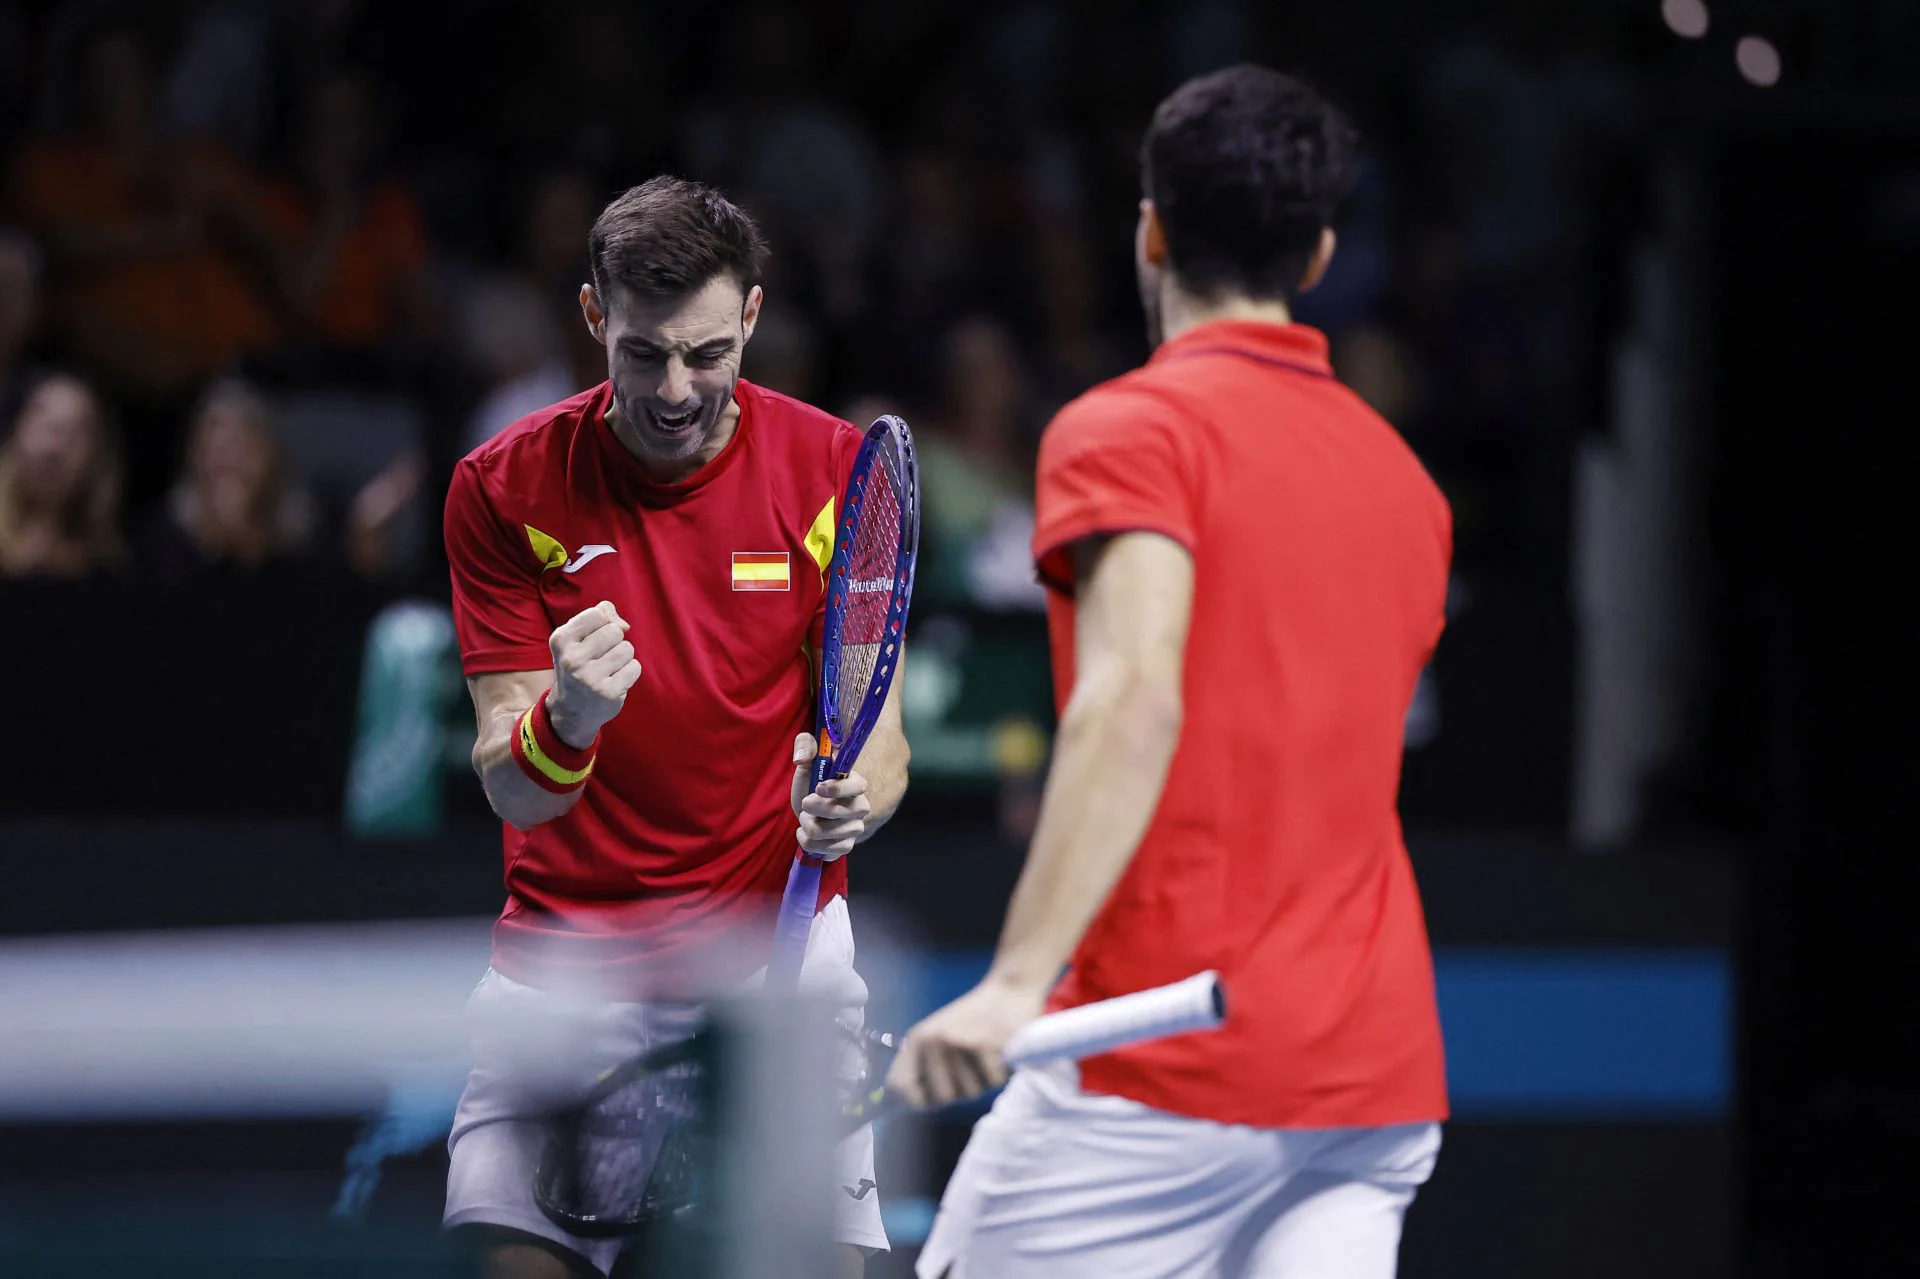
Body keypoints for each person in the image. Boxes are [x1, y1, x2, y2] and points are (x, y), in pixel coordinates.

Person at [889, 66, 1452, 1279]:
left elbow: (1134, 696)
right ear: (1317, 258)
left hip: (1158, 1066)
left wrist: (1014, 984)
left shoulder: (1130, 430)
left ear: (1149, 229)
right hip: (1372, 1081)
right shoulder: (1406, 484)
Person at [441, 176, 909, 1279]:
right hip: (566, 977)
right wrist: (570, 718)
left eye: (707, 352)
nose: (675, 388)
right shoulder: (504, 489)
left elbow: (876, 737)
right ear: (595, 317)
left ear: (751, 317)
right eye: (644, 352)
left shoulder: (835, 471)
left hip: (776, 976)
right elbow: (512, 782)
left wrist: (853, 801)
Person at [136, 379, 317, 581]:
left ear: (272, 460)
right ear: (193, 459)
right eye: (216, 451)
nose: (229, 462)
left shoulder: (306, 549)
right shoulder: (158, 547)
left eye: (242, 449)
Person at [0, 371, 124, 580]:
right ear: (15, 432)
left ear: (95, 460)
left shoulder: (108, 569)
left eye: (74, 433)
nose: (53, 449)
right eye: (45, 426)